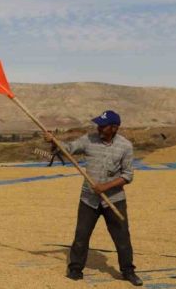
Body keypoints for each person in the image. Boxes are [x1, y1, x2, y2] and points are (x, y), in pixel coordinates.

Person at [44, 110, 143, 286]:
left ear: (114, 128)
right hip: (88, 199)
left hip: (114, 200)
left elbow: (128, 175)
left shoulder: (125, 146)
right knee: (81, 235)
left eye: (103, 125)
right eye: (98, 124)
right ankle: (75, 269)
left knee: (122, 237)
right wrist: (54, 142)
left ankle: (128, 271)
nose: (99, 128)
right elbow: (68, 150)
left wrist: (105, 186)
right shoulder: (89, 139)